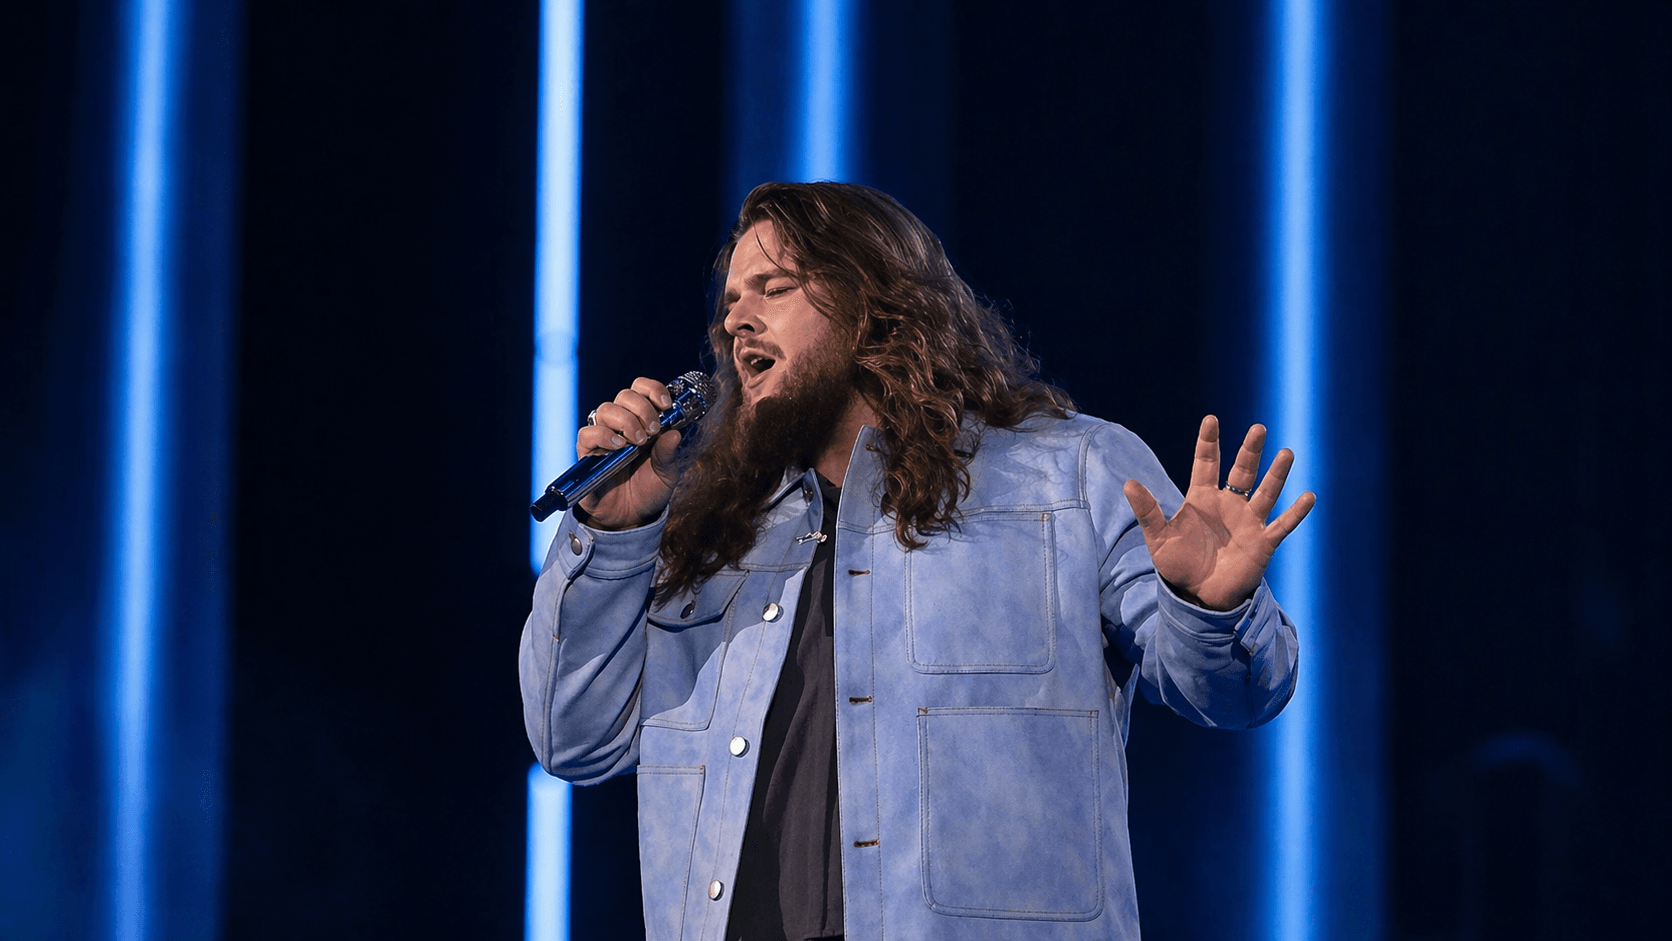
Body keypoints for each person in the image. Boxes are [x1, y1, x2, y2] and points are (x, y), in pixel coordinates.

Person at [520, 182, 1314, 941]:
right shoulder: (712, 533)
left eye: (774, 288)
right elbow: (573, 738)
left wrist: (1213, 607)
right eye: (729, 303)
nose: (737, 321)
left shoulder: (1071, 476)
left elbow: (1238, 694)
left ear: (871, 303)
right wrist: (612, 534)